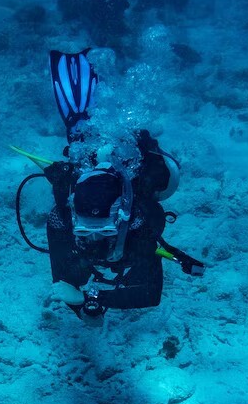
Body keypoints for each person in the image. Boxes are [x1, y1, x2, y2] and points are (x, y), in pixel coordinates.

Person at [32, 49, 204, 321]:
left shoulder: (139, 222)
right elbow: (63, 282)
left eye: (101, 233)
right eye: (86, 233)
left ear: (121, 219)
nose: (93, 242)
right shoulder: (61, 218)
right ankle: (85, 121)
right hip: (88, 171)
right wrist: (86, 308)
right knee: (80, 139)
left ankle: (113, 129)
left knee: (159, 178)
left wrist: (92, 298)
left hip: (130, 186)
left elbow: (150, 293)